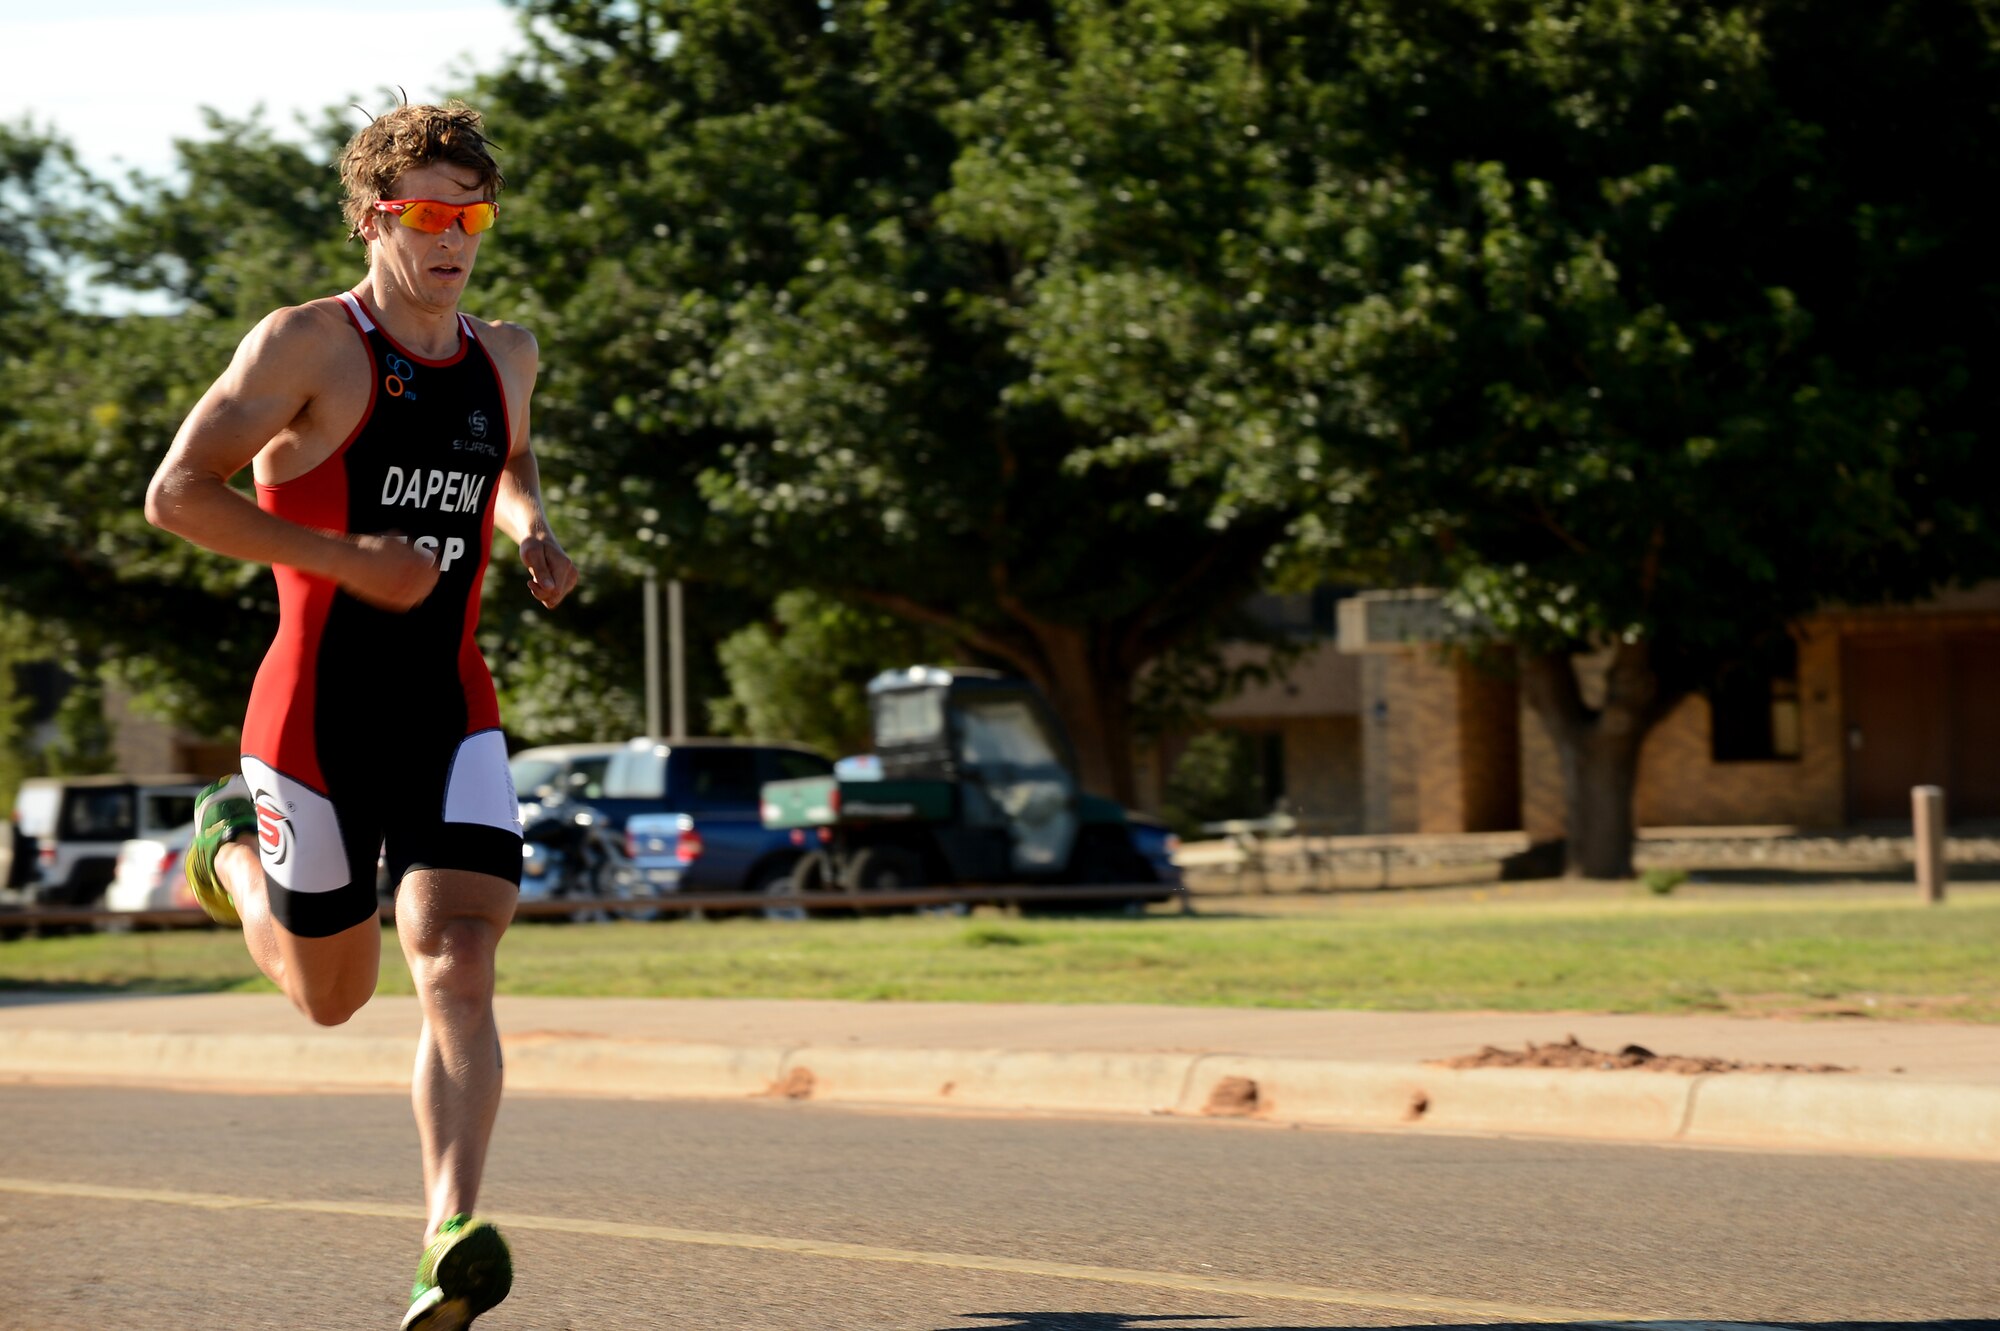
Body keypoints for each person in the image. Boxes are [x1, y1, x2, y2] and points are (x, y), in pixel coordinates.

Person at [144, 100, 575, 1331]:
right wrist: (342, 562)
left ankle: (450, 1230)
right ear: (375, 215)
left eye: (472, 215)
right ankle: (226, 851)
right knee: (331, 996)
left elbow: (508, 457)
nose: (455, 239)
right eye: (430, 215)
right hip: (313, 717)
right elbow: (177, 494)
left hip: (450, 703)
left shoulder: (509, 352)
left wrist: (528, 526)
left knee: (457, 950)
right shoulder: (306, 346)